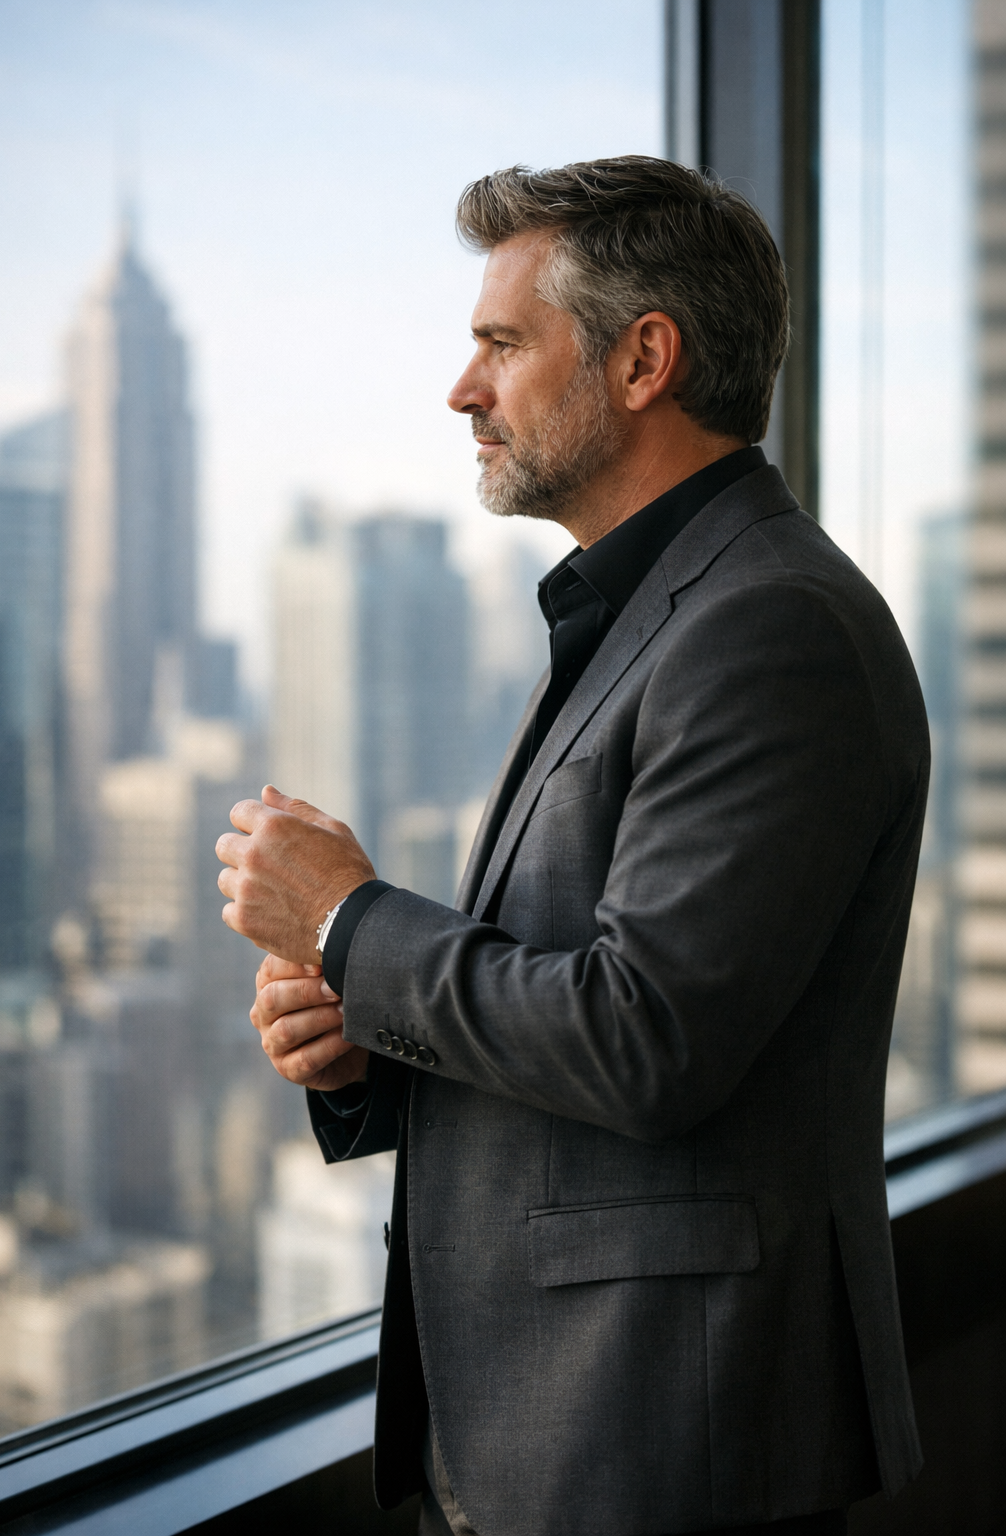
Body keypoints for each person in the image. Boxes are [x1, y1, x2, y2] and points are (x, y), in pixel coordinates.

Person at [216, 157, 927, 1536]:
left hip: (665, 1446)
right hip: (578, 1437)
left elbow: (647, 1034)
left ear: (646, 358)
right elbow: (597, 994)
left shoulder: (767, 628)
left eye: (499, 342)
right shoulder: (654, 611)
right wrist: (372, 1038)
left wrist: (353, 927)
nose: (461, 388)